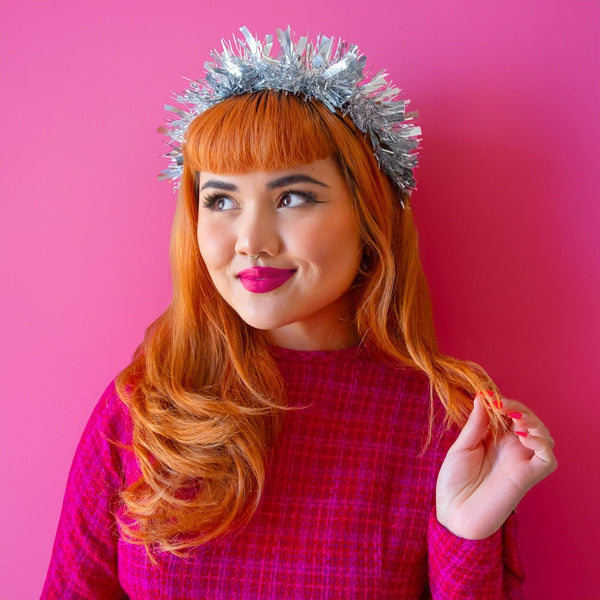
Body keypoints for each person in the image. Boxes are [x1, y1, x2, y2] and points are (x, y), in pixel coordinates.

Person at [42, 27, 556, 599]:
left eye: (292, 197)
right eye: (221, 200)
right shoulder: (143, 409)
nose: (251, 241)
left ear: (369, 215)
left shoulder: (447, 419)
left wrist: (467, 533)